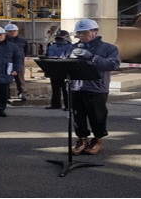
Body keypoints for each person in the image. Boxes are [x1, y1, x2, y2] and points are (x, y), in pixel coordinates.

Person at [69, 19, 120, 156]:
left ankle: (97, 139)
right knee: (78, 116)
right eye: (78, 33)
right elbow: (63, 60)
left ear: (95, 32)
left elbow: (113, 65)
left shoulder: (109, 48)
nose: (81, 36)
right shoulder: (73, 47)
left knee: (97, 116)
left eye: (84, 33)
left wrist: (92, 57)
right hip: (76, 87)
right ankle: (82, 139)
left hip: (96, 88)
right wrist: (67, 57)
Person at [45, 30, 73, 110]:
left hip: (65, 70)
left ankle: (68, 105)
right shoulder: (51, 46)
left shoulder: (70, 47)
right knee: (55, 89)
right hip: (54, 69)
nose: (59, 40)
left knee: (66, 89)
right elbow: (47, 57)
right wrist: (47, 70)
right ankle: (56, 104)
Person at [4, 24, 28, 100]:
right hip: (7, 63)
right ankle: (6, 94)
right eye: (10, 31)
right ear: (7, 32)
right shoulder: (4, 41)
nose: (13, 32)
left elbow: (26, 51)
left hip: (19, 63)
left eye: (14, 31)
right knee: (6, 79)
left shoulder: (23, 41)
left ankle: (22, 93)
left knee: (20, 79)